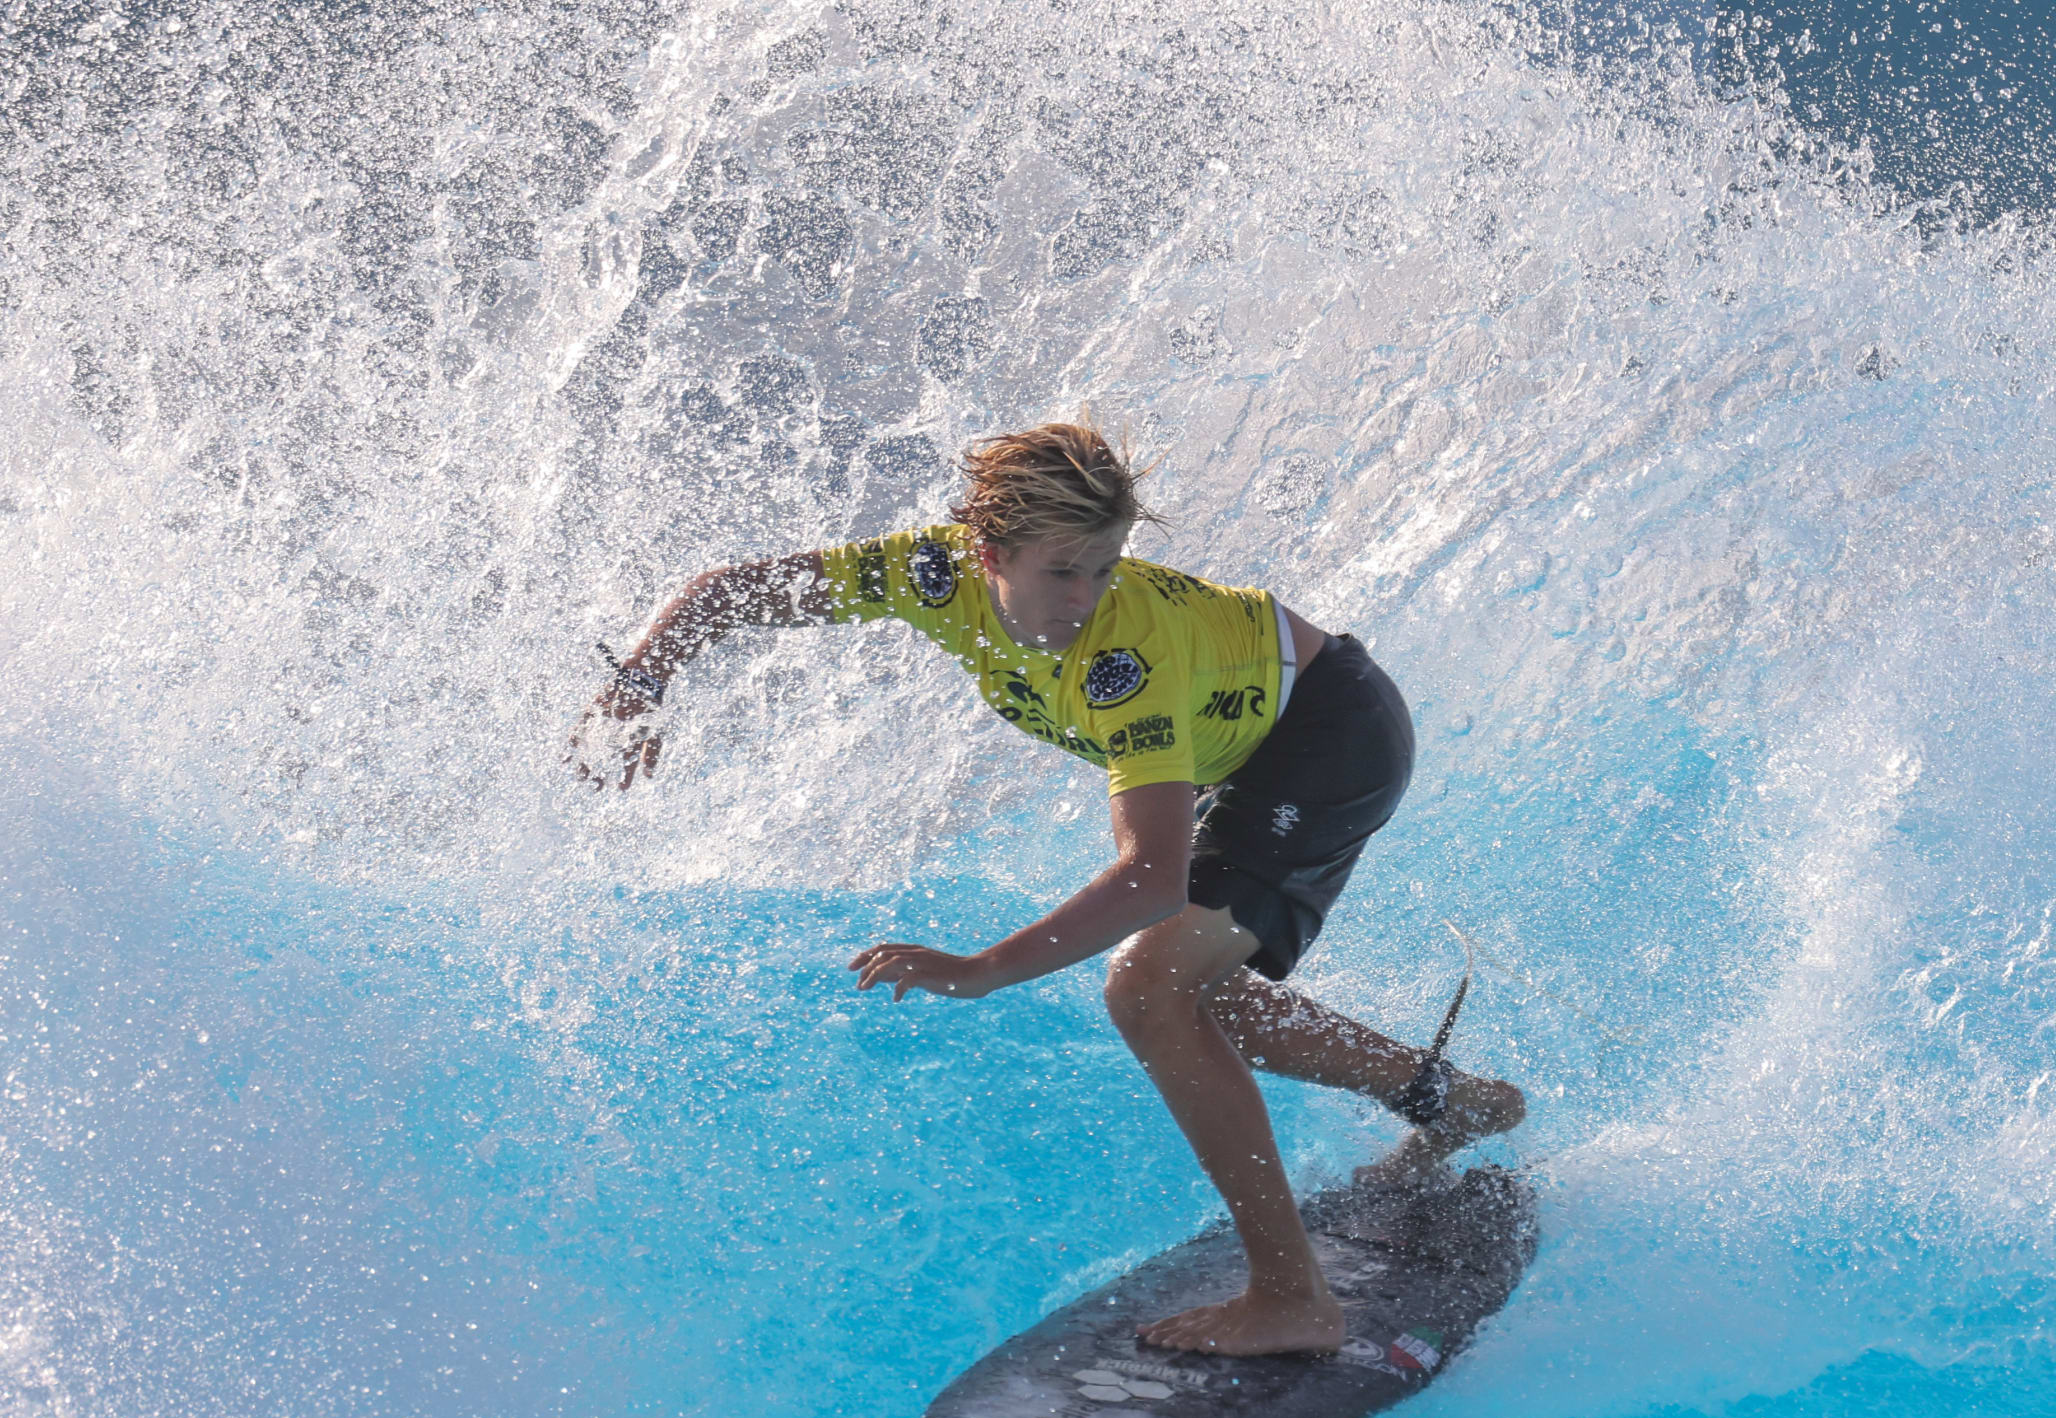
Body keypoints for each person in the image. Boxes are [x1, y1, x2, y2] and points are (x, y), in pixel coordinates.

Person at [582, 420, 1523, 1357]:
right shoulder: (931, 574)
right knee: (1198, 989)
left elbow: (1150, 877)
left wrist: (985, 969)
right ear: (987, 554)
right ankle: (1451, 1101)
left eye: (1106, 567)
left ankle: (1291, 1296)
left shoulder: (1125, 657)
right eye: (1062, 571)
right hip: (1246, 746)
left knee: (1146, 984)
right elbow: (737, 592)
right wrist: (643, 678)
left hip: (1325, 739)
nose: (1085, 596)